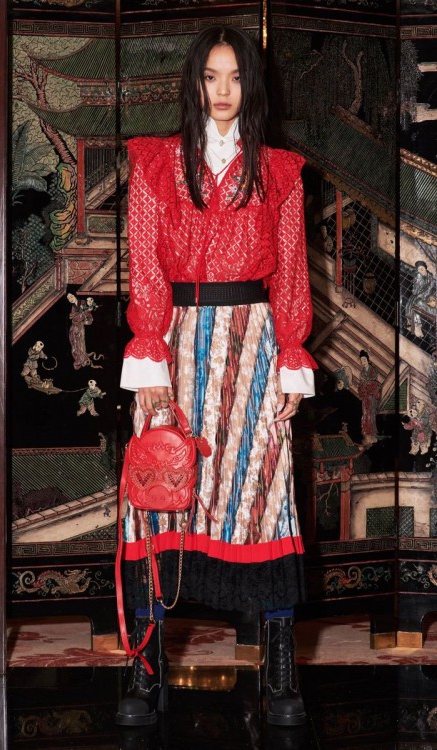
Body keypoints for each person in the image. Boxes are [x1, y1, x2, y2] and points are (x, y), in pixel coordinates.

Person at [118, 25, 316, 728]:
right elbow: (145, 263)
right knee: (158, 495)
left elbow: (291, 273)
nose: (224, 90)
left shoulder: (280, 172)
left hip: (255, 345)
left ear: (251, 84)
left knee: (267, 494)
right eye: (211, 76)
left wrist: (292, 359)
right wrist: (148, 353)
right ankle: (144, 667)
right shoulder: (157, 164)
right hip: (175, 342)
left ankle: (280, 668)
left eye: (235, 76)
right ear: (194, 84)